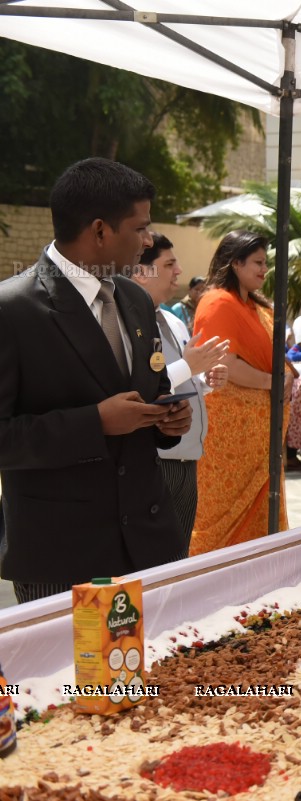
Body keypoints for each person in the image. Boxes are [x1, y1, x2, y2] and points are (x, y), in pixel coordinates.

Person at [0, 158, 192, 603]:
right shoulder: (12, 310)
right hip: (64, 554)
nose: (148, 242)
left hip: (147, 542)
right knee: (70, 675)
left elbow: (149, 389)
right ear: (101, 231)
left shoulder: (134, 299)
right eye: (140, 228)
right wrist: (95, 423)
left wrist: (167, 416)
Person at [190, 230, 291, 554]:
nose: (264, 270)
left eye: (266, 263)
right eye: (257, 263)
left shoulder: (255, 304)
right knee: (221, 514)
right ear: (235, 263)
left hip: (259, 432)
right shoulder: (218, 302)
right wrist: (273, 383)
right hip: (230, 436)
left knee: (263, 509)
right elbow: (225, 363)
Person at [131, 233, 230, 541]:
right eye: (169, 264)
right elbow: (139, 386)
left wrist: (205, 380)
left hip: (187, 458)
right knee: (151, 557)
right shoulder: (125, 321)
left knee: (178, 553)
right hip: (156, 458)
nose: (179, 271)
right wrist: (190, 366)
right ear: (141, 272)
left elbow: (179, 378)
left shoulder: (172, 320)